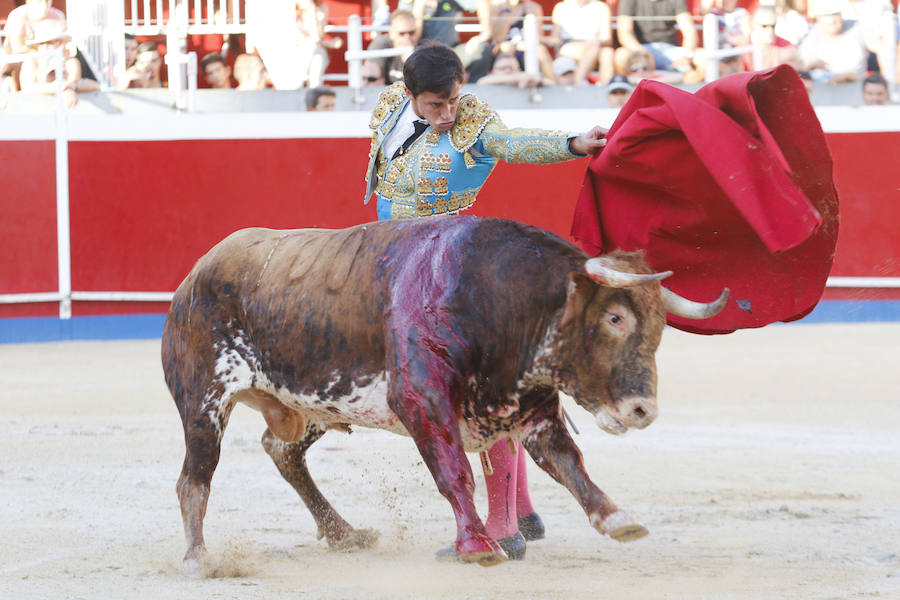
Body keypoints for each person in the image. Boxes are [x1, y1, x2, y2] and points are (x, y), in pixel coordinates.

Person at [363, 42, 608, 560]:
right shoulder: (388, 105)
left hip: (449, 264)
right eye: (435, 105)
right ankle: (521, 508)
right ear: (410, 96)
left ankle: (502, 525)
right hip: (393, 257)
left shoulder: (474, 122)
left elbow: (513, 142)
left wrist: (572, 142)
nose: (448, 114)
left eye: (454, 100)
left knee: (481, 394)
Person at [17, 19, 99, 107]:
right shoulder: (30, 63)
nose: (45, 47)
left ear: (60, 43)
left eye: (50, 42)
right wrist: (57, 87)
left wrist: (70, 87)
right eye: (41, 43)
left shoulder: (71, 63)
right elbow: (27, 87)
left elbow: (74, 83)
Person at [411, 0, 494, 82]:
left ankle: (474, 88)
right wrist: (419, 7)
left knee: (482, 48)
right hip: (423, 56)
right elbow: (412, 38)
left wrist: (483, 35)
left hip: (451, 53)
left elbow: (481, 2)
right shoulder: (409, 4)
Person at [798, 0, 875, 84]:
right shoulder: (809, 35)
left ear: (841, 14)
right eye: (826, 15)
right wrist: (811, 66)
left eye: (835, 14)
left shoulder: (857, 28)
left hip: (855, 89)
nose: (832, 20)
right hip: (820, 91)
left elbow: (880, 49)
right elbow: (798, 68)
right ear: (818, 17)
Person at [614, 0, 698, 74]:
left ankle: (683, 90)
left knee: (702, 59)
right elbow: (624, 33)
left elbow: (690, 32)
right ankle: (632, 90)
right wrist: (643, 53)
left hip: (671, 50)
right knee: (621, 55)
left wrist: (685, 56)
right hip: (640, 49)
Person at [548, 0, 614, 85]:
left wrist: (593, 42)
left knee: (607, 52)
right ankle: (578, 82)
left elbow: (607, 37)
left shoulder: (601, 7)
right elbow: (555, 38)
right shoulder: (561, 7)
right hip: (568, 46)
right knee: (593, 47)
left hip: (595, 45)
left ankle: (606, 88)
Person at [489, 0, 555, 81]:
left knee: (541, 50)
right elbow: (498, 38)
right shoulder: (498, 6)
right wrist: (508, 11)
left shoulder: (533, 7)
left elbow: (538, 37)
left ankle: (552, 84)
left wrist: (526, 44)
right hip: (505, 46)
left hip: (526, 46)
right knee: (507, 48)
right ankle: (508, 85)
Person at [295, 0, 343, 88]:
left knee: (315, 81)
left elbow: (317, 36)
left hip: (317, 46)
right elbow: (315, 36)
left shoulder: (321, 8)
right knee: (300, 78)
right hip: (305, 47)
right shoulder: (304, 6)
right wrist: (331, 44)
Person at [366, 9, 420, 85]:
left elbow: (422, 84)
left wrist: (408, 60)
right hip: (387, 94)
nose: (407, 37)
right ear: (391, 33)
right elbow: (371, 74)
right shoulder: (381, 44)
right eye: (402, 33)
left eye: (411, 33)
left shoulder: (424, 47)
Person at [476, 52, 553, 87]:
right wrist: (518, 77)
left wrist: (537, 81)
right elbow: (481, 82)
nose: (508, 71)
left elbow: (551, 84)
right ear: (493, 71)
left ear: (519, 70)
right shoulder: (487, 83)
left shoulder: (526, 80)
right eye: (503, 68)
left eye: (512, 68)